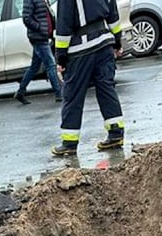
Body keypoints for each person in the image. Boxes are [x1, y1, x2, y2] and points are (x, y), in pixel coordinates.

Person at [51, 0, 125, 158]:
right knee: (106, 89)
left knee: (72, 95)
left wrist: (60, 56)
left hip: (80, 50)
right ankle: (116, 133)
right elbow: (113, 13)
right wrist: (117, 41)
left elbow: (64, 23)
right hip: (104, 43)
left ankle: (69, 143)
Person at [15, 0, 62, 105]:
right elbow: (26, 18)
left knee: (34, 67)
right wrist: (39, 28)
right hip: (38, 37)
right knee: (50, 65)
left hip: (44, 35)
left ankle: (20, 92)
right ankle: (59, 93)